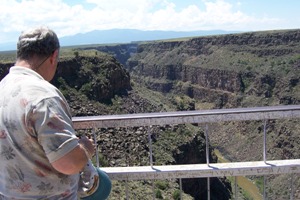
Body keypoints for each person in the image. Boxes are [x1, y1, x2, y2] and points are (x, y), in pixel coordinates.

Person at [0, 26, 111, 199]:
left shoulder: (3, 88)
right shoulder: (43, 97)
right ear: (53, 56)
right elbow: (69, 163)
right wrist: (85, 149)